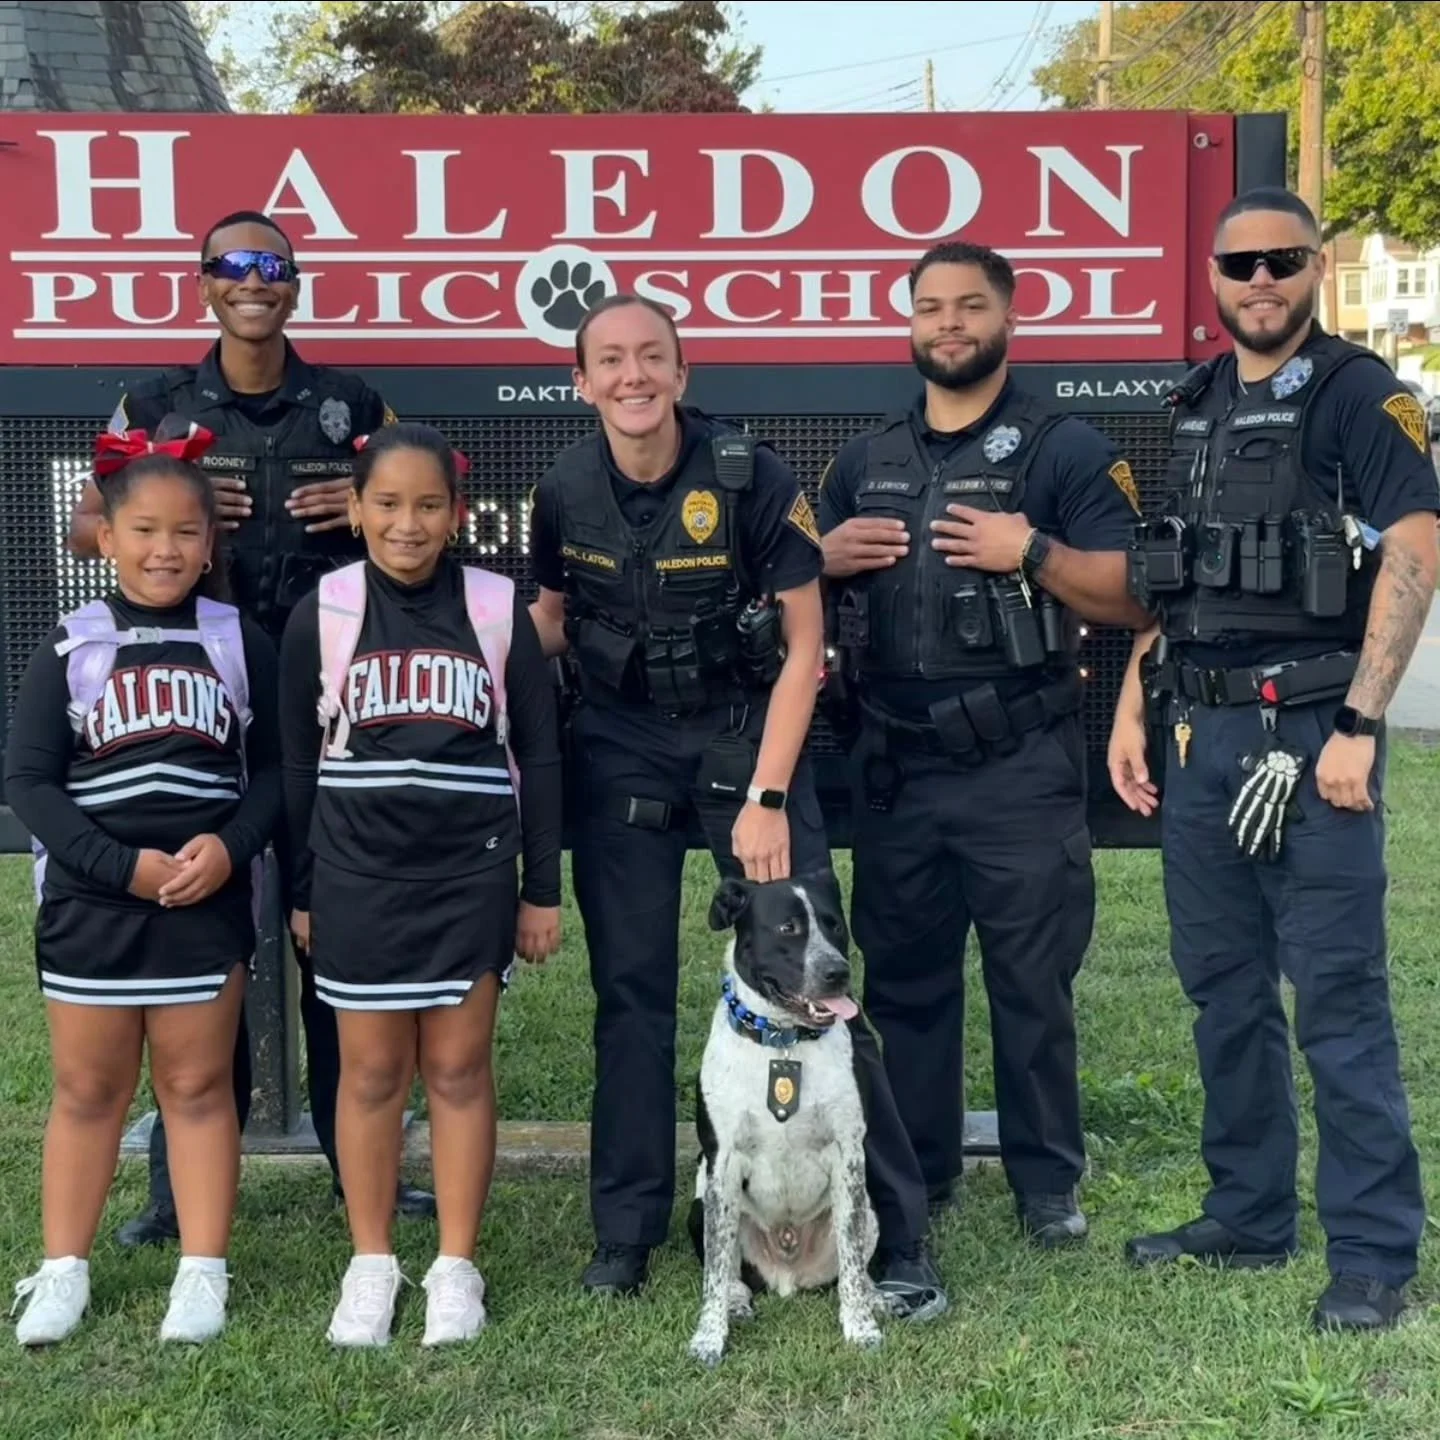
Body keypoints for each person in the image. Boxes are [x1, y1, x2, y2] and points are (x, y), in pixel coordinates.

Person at [527, 293, 945, 1317]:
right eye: (611, 361)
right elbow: (543, 623)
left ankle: (898, 1241)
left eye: (653, 358)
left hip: (741, 740)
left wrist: (766, 796)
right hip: (622, 747)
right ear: (581, 382)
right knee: (630, 997)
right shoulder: (561, 487)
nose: (634, 377)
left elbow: (807, 646)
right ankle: (626, 1234)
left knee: (822, 994)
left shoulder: (749, 477)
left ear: (682, 373)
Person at [64, 208, 435, 1241]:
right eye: (232, 265)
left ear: (295, 284)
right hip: (200, 702)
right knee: (201, 931)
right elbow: (85, 523)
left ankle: (348, 1162)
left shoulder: (352, 404)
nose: (252, 280)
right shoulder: (156, 402)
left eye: (271, 265)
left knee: (336, 937)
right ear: (205, 284)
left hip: (326, 698)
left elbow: (421, 506)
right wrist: (180, 519)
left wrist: (357, 506)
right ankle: (178, 1186)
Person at [1110, 187, 1437, 1332]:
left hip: (1310, 738)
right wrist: (1133, 705)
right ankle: (1248, 1214)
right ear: (1211, 274)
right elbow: (1172, 572)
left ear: (1317, 266)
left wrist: (1359, 724)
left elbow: (1414, 547)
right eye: (1240, 264)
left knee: (1337, 998)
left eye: (1283, 261)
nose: (1260, 282)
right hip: (1199, 732)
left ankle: (1374, 1250)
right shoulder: (1194, 402)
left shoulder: (1359, 395)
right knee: (1222, 992)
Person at [817, 241, 1150, 1245]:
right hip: (895, 762)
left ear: (1007, 319)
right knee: (905, 981)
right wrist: (821, 560)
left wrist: (1032, 550)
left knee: (1030, 982)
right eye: (930, 307)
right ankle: (918, 1166)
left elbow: (1138, 594)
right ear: (909, 324)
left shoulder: (1067, 451)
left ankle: (1047, 1182)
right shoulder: (863, 461)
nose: (949, 324)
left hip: (1017, 760)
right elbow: (799, 603)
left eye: (969, 306)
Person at [280, 423, 564, 1347]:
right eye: (389, 504)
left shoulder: (492, 608)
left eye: (429, 505)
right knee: (368, 1074)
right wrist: (304, 889)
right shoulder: (323, 611)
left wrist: (540, 888)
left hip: (468, 875)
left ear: (459, 513)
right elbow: (294, 767)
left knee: (456, 1068)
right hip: (358, 875)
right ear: (356, 508)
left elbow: (541, 753)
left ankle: (454, 1266)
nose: (408, 524)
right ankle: (371, 1263)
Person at [4, 419, 282, 1346]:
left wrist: (231, 849)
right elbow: (31, 780)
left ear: (212, 544)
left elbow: (280, 773)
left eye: (186, 533)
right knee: (88, 1089)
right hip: (94, 903)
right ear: (107, 537)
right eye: (146, 531)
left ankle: (202, 1271)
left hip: (203, 903)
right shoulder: (71, 643)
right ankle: (62, 1270)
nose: (166, 549)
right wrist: (117, 864)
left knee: (198, 1085)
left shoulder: (238, 638)